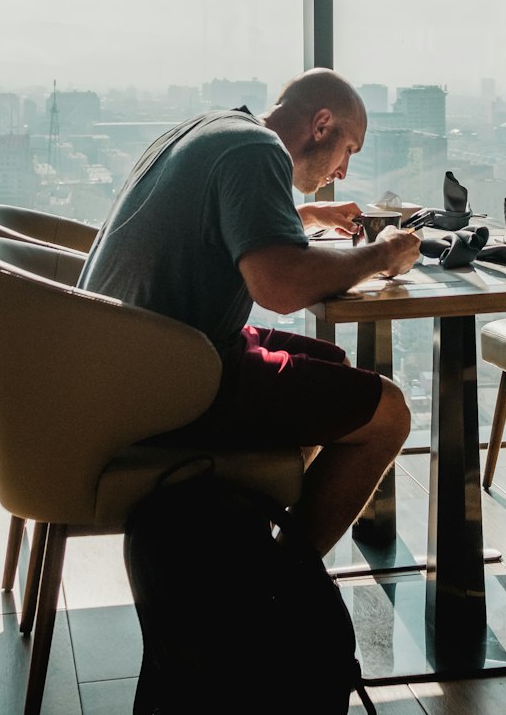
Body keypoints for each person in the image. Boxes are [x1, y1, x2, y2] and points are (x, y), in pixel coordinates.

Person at [78, 67, 421, 556]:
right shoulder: (258, 152)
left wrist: (302, 215)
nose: (343, 171)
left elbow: (213, 222)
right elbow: (279, 287)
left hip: (122, 359)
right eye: (350, 149)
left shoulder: (215, 129)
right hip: (165, 382)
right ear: (321, 124)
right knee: (388, 414)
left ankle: (251, 540)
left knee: (335, 370)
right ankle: (282, 586)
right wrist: (383, 255)